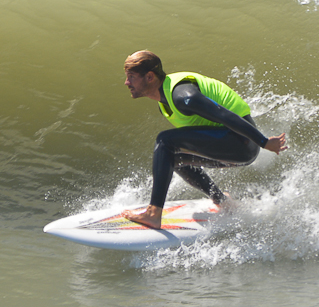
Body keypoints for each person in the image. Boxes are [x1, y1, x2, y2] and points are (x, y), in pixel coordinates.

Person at [121, 50, 287, 228]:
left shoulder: (182, 96)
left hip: (242, 143)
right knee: (173, 159)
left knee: (165, 140)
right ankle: (222, 201)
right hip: (234, 144)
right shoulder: (165, 101)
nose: (127, 82)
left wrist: (264, 142)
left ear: (150, 77)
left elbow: (223, 115)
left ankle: (154, 213)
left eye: (131, 77)